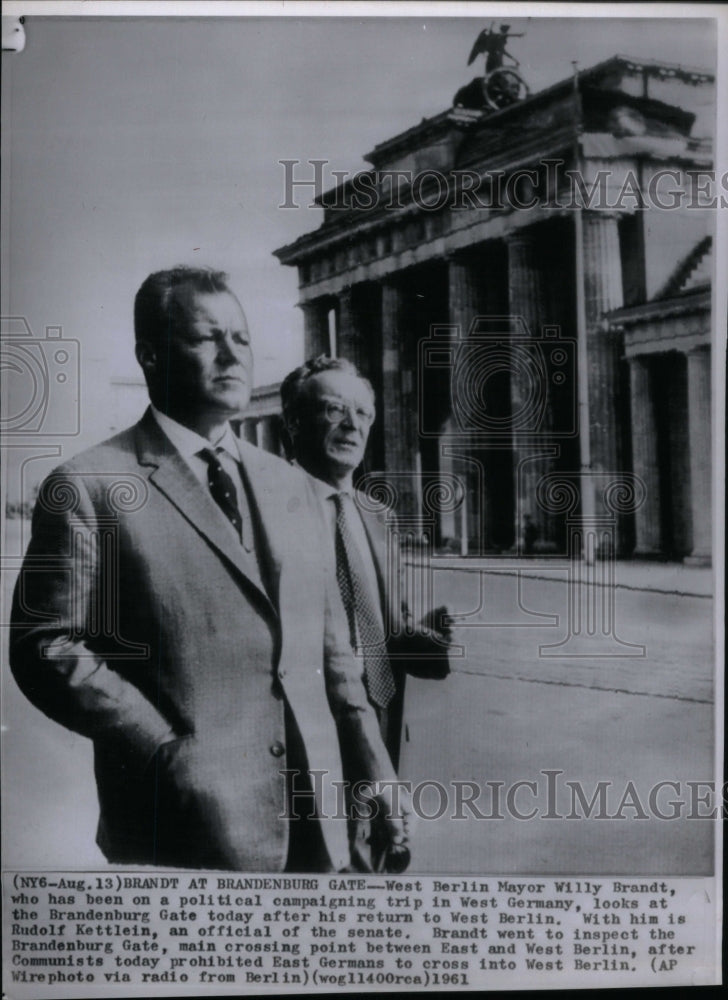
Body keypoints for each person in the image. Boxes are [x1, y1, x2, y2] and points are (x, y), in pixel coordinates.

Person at [9, 267, 407, 873]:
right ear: (149, 354)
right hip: (183, 825)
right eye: (205, 338)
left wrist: (375, 770)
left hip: (317, 822)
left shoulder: (290, 486)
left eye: (241, 339)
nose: (231, 355)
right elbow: (45, 644)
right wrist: (163, 745)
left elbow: (333, 655)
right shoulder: (90, 485)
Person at [280, 356, 451, 775]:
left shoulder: (377, 515)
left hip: (383, 723)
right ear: (295, 421)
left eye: (363, 413)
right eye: (335, 409)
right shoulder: (266, 510)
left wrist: (423, 639)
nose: (352, 425)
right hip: (301, 738)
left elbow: (386, 622)